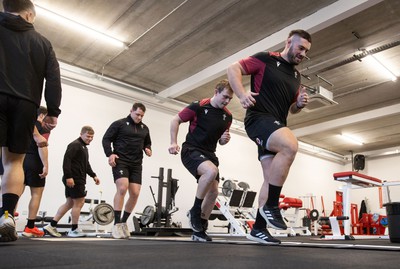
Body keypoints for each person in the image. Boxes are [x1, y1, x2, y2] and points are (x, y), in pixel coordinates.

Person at [227, 29, 312, 244]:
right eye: (300, 48)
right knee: (290, 146)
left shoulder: (296, 76)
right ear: (288, 42)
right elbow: (233, 67)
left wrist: (299, 105)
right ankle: (272, 206)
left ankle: (258, 229)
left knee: (269, 177)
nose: (303, 54)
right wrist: (241, 94)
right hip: (258, 119)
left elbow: (292, 109)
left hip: (275, 125)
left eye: (306, 51)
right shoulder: (266, 59)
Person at [0, 0, 62, 242]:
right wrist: (53, 112)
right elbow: (53, 80)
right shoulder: (43, 43)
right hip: (26, 103)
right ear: (29, 14)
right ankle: (6, 216)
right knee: (13, 162)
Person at [169, 79, 233, 242]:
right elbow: (175, 120)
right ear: (216, 92)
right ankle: (195, 211)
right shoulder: (198, 106)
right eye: (224, 97)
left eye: (229, 99)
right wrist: (173, 142)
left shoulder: (228, 116)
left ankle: (200, 229)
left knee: (214, 193)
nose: (226, 101)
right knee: (211, 171)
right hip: (191, 149)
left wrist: (224, 140)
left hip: (210, 154)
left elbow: (221, 141)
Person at [102, 103, 152, 239]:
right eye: (137, 114)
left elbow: (147, 142)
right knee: (122, 188)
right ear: (131, 111)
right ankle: (116, 224)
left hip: (136, 164)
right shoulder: (119, 124)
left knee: (135, 193)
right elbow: (106, 139)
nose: (139, 117)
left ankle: (123, 222)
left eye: (142, 115)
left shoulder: (144, 128)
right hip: (121, 161)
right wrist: (110, 154)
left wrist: (148, 148)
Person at [44, 126, 100, 238]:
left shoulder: (83, 147)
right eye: (88, 136)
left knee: (69, 203)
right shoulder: (75, 145)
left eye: (92, 137)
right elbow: (66, 161)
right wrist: (69, 177)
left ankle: (51, 225)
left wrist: (93, 175)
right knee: (79, 203)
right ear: (81, 134)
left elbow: (85, 164)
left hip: (76, 178)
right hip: (74, 178)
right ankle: (74, 230)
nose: (90, 139)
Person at [21, 106, 50, 237]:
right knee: (36, 194)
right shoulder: (41, 128)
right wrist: (46, 165)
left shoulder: (22, 123)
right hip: (34, 160)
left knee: (14, 193)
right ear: (43, 116)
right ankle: (30, 227)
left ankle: (5, 222)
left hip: (18, 160)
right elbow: (41, 145)